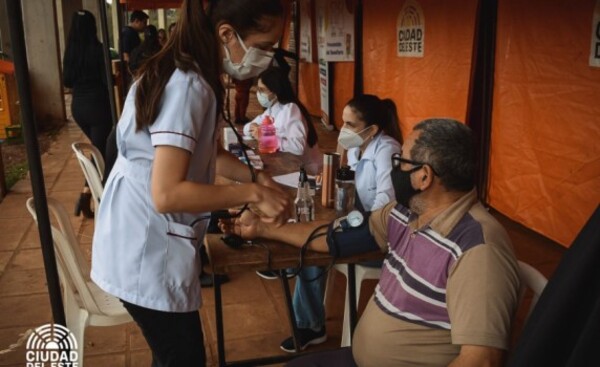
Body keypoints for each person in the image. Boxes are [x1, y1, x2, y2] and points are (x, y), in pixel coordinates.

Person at [222, 118, 521, 367]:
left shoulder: (478, 250)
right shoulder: (407, 211)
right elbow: (333, 237)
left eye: (400, 161)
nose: (394, 170)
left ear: (424, 177)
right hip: (360, 357)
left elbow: (482, 361)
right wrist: (263, 229)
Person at [91, 1, 288, 366]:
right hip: (145, 248)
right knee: (183, 358)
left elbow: (208, 151)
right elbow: (168, 194)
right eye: (264, 46)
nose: (268, 57)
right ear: (226, 34)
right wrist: (253, 192)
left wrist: (255, 175)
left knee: (172, 356)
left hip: (137, 236)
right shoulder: (188, 87)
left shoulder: (185, 71)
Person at [270, 94, 403, 353]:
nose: (343, 129)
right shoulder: (357, 147)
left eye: (350, 124)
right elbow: (349, 181)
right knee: (312, 231)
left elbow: (385, 204)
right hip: (362, 221)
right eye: (343, 122)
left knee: (314, 243)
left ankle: (310, 325)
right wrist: (332, 180)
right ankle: (309, 318)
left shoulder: (388, 150)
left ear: (372, 129)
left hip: (381, 234)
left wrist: (349, 222)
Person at [63, 10, 113, 218]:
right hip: (98, 106)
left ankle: (89, 196)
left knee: (98, 150)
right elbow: (106, 80)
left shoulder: (70, 52)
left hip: (79, 107)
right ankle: (90, 195)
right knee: (103, 152)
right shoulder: (99, 50)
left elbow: (67, 81)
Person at [243, 66, 322, 175]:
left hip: (304, 171)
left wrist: (269, 139)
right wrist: (254, 128)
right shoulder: (273, 108)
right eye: (258, 89)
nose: (258, 93)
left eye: (262, 90)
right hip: (288, 163)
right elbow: (247, 128)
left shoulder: (291, 109)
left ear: (275, 91)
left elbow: (298, 147)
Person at [119, 10, 148, 84]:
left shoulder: (132, 33)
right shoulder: (128, 33)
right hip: (132, 73)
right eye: (144, 23)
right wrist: (133, 73)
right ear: (136, 21)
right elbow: (126, 54)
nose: (145, 26)